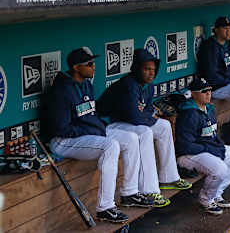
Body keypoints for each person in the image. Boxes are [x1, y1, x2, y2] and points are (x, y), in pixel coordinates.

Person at [46, 47, 154, 223]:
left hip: (85, 133)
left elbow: (90, 118)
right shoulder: (61, 91)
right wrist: (92, 130)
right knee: (110, 146)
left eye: (93, 63)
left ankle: (129, 193)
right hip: (64, 141)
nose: (93, 66)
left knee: (131, 139)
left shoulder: (86, 85)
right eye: (89, 64)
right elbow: (61, 129)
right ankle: (105, 207)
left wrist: (97, 128)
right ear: (75, 67)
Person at [97, 48, 192, 199]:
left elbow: (147, 111)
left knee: (164, 126)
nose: (151, 73)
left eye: (153, 70)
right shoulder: (128, 85)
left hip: (125, 122)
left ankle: (169, 177)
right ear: (136, 68)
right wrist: (149, 118)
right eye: (147, 69)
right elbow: (135, 117)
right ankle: (149, 190)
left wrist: (149, 118)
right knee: (145, 132)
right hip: (108, 124)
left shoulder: (148, 86)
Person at [175, 77, 230, 214]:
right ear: (193, 94)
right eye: (204, 91)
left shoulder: (209, 109)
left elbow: (213, 136)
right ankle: (206, 199)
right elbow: (185, 146)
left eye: (209, 90)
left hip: (206, 150)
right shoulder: (188, 114)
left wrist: (217, 147)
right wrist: (210, 150)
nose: (208, 93)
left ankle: (217, 193)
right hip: (189, 156)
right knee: (219, 168)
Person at [196, 16, 230, 103]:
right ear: (216, 30)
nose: (228, 31)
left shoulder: (226, 45)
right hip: (215, 88)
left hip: (227, 83)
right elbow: (212, 75)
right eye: (225, 28)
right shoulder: (210, 47)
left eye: (229, 28)